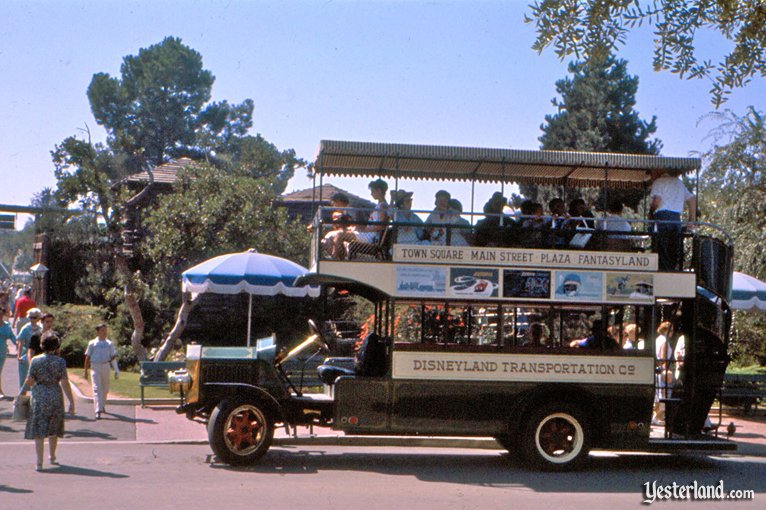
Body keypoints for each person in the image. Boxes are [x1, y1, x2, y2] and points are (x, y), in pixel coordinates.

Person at [25, 334, 75, 471]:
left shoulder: (35, 360)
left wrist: (33, 384)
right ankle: (52, 456)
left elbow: (29, 380)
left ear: (42, 345)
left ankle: (39, 462)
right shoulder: (60, 362)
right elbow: (64, 382)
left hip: (39, 395)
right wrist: (71, 401)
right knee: (54, 428)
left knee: (39, 431)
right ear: (56, 346)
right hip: (55, 395)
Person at [649, 170, 696, 271]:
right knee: (674, 249)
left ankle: (661, 272)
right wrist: (691, 220)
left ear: (657, 171)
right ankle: (673, 271)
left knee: (661, 249)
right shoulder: (679, 183)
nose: (650, 176)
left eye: (651, 173)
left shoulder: (658, 182)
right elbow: (692, 199)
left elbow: (657, 201)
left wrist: (651, 211)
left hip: (662, 218)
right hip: (676, 219)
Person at [83, 323, 119, 419]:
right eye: (102, 331)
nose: (104, 333)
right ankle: (98, 409)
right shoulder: (92, 343)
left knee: (105, 388)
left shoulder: (109, 344)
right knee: (97, 388)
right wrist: (85, 371)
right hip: (95, 367)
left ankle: (102, 405)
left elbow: (113, 357)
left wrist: (116, 370)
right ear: (98, 332)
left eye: (105, 330)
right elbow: (88, 356)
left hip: (105, 366)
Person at [653, 321, 674, 424]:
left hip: (657, 370)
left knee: (658, 393)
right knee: (663, 393)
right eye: (671, 330)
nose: (672, 333)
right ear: (666, 330)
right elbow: (663, 357)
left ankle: (655, 416)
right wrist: (665, 369)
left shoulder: (657, 340)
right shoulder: (664, 341)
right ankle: (659, 417)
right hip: (662, 370)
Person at [16, 308, 43, 389]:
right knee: (24, 376)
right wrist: (19, 355)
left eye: (34, 317)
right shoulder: (25, 328)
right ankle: (22, 396)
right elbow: (20, 342)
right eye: (30, 317)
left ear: (38, 318)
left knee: (37, 376)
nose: (32, 319)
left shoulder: (40, 328)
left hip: (38, 353)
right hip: (26, 352)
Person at [0, 306, 17, 398]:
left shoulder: (6, 325)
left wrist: (17, 344)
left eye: (1, 314)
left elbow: (11, 336)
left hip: (2, 351)